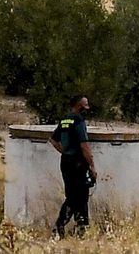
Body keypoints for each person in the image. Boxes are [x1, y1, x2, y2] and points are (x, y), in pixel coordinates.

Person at [48, 93, 98, 237]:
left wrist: (65, 152)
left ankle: (79, 227)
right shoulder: (78, 121)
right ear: (78, 106)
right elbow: (85, 146)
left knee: (72, 195)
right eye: (85, 106)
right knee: (79, 196)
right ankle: (65, 226)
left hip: (66, 162)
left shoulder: (64, 120)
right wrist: (92, 166)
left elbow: (53, 139)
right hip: (78, 164)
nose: (87, 109)